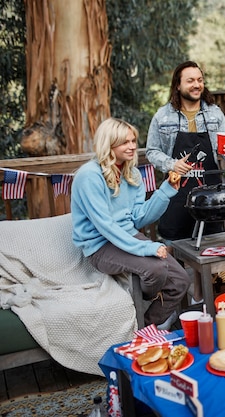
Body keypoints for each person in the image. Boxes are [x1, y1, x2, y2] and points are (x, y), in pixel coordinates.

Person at [72, 118, 191, 329]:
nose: (133, 146)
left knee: (181, 280)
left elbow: (139, 218)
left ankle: (144, 329)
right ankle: (142, 308)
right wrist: (147, 247)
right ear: (108, 144)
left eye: (134, 140)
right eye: (125, 142)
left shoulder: (132, 172)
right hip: (100, 245)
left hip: (127, 236)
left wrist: (166, 190)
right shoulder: (89, 176)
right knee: (155, 270)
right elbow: (105, 226)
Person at [146, 61, 225, 304]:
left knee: (210, 252)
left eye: (199, 80)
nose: (197, 84)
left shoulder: (215, 113)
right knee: (173, 251)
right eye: (190, 80)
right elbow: (151, 151)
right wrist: (170, 164)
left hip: (210, 196)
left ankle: (205, 303)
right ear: (178, 85)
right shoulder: (162, 115)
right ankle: (172, 309)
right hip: (176, 194)